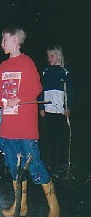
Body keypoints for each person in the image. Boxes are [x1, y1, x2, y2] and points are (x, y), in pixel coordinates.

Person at [0, 26, 60, 217]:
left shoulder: (27, 63)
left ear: (15, 40)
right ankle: (21, 206)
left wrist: (20, 97)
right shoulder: (3, 66)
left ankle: (54, 208)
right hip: (8, 128)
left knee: (35, 166)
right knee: (15, 169)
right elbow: (0, 95)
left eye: (4, 39)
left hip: (25, 128)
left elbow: (36, 87)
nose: (1, 43)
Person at [39, 45, 73, 175]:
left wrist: (68, 107)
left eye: (52, 56)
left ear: (58, 56)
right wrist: (41, 107)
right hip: (48, 111)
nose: (49, 58)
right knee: (50, 139)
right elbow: (41, 90)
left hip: (60, 112)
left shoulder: (64, 72)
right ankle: (52, 164)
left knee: (61, 139)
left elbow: (70, 92)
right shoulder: (46, 72)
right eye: (48, 56)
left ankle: (63, 163)